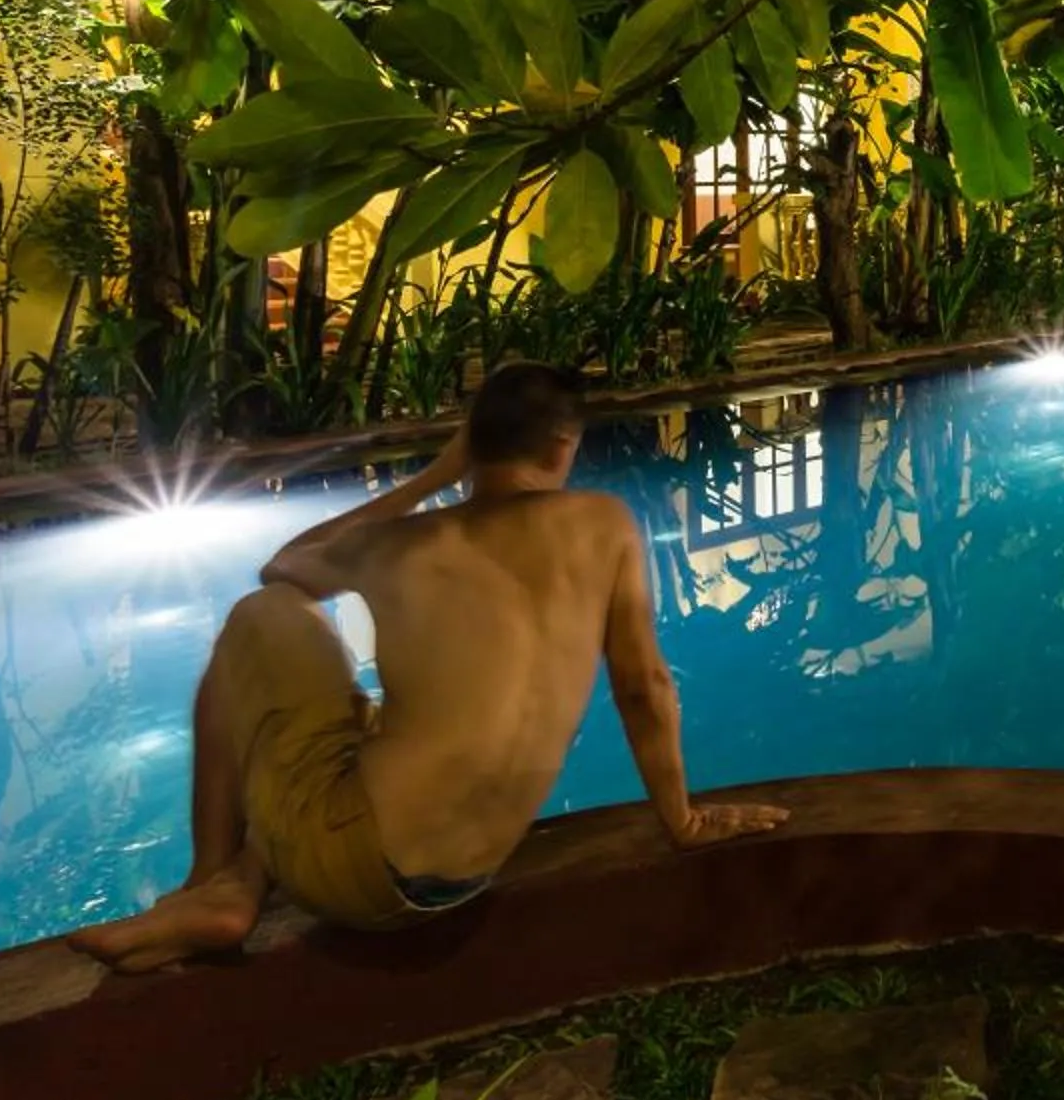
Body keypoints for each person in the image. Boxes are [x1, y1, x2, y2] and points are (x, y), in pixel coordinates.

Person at [72, 361, 786, 972]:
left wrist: (431, 478)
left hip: (351, 874)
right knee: (373, 727)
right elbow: (643, 686)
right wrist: (682, 821)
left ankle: (213, 885)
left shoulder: (407, 544)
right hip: (467, 877)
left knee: (258, 622)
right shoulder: (604, 528)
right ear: (564, 445)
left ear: (474, 445)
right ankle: (239, 880)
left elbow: (280, 570)